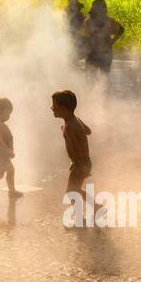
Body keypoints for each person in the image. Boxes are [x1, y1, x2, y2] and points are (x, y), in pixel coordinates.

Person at [51, 89, 93, 217]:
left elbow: (74, 148)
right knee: (75, 189)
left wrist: (77, 163)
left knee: (71, 191)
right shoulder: (75, 120)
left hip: (80, 164)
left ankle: (82, 215)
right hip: (85, 162)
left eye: (54, 106)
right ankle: (96, 207)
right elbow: (88, 131)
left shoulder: (69, 128)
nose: (51, 108)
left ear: (63, 109)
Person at [80, 0, 124, 73]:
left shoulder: (109, 21)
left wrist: (112, 41)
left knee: (104, 77)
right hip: (93, 53)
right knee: (90, 77)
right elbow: (83, 36)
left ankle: (102, 85)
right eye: (98, 7)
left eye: (102, 7)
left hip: (105, 53)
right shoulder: (88, 21)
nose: (100, 9)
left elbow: (121, 30)